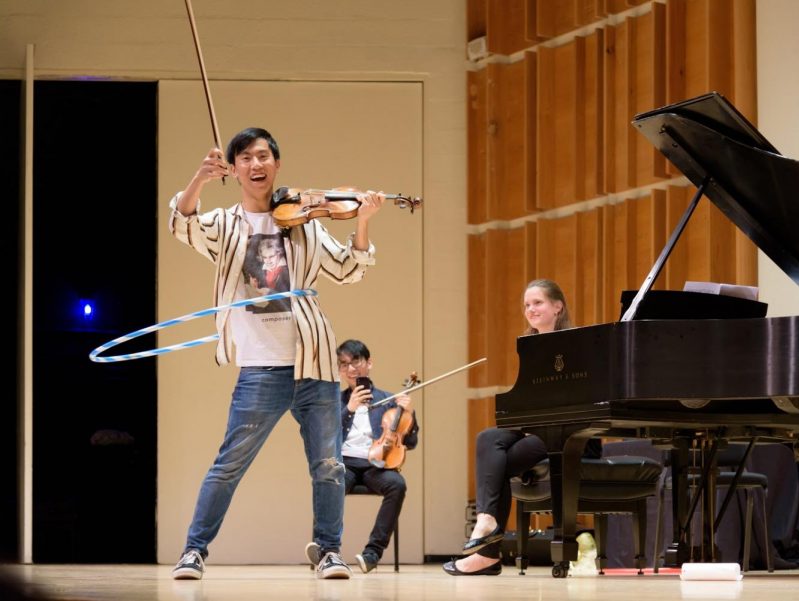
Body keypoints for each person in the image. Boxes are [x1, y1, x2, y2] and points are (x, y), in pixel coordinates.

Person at [168, 127, 386, 580]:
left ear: (277, 164)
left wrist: (363, 220)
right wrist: (199, 180)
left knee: (328, 466)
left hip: (316, 364)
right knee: (228, 465)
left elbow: (347, 270)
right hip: (261, 368)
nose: (256, 165)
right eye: (245, 157)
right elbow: (183, 223)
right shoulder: (226, 224)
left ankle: (329, 552)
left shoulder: (304, 221)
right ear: (235, 168)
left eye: (264, 156)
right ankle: (193, 551)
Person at [443, 278, 601, 576]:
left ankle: (487, 554)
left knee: (496, 462)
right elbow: (530, 397)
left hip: (572, 430)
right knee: (488, 438)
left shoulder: (578, 344)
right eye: (526, 305)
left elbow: (582, 396)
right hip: (541, 427)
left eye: (537, 302)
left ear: (558, 307)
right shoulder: (529, 347)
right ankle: (487, 521)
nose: (530, 309)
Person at [306, 339, 419, 574]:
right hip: (343, 464)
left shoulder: (389, 400)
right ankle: (326, 551)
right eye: (343, 364)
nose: (350, 369)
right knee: (326, 480)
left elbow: (410, 443)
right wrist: (349, 409)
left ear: (369, 363)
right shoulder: (334, 401)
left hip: (375, 465)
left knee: (397, 485)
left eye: (356, 361)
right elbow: (324, 436)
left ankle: (372, 554)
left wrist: (409, 415)